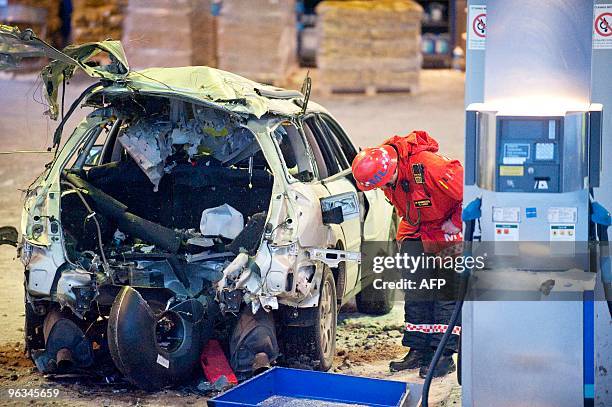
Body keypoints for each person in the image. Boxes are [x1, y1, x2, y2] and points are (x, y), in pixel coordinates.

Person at [351, 130, 463, 378]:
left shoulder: (430, 166)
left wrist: (456, 221)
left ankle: (442, 356)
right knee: (417, 292)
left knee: (445, 294)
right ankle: (419, 349)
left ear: (390, 171)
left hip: (444, 230)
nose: (384, 189)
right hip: (415, 229)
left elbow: (470, 192)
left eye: (384, 184)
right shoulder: (385, 172)